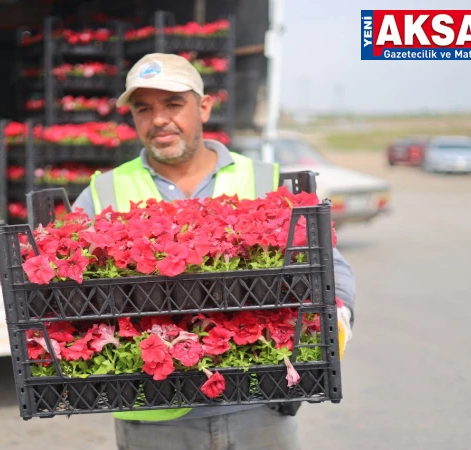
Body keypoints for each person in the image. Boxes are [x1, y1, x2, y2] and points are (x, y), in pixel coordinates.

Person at [71, 53, 356, 450]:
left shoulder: (263, 178)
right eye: (143, 109)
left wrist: (337, 315)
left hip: (258, 403)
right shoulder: (102, 191)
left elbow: (330, 264)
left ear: (203, 107)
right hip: (153, 415)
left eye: (173, 105)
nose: (158, 120)